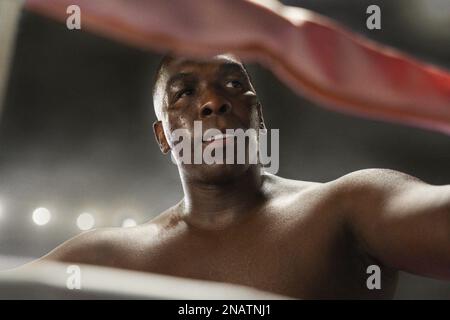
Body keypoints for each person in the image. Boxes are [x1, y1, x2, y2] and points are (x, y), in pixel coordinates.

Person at [31, 53, 450, 299]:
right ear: (164, 136)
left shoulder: (347, 208)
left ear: (258, 116)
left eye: (233, 84)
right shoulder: (108, 259)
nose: (214, 101)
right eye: (185, 93)